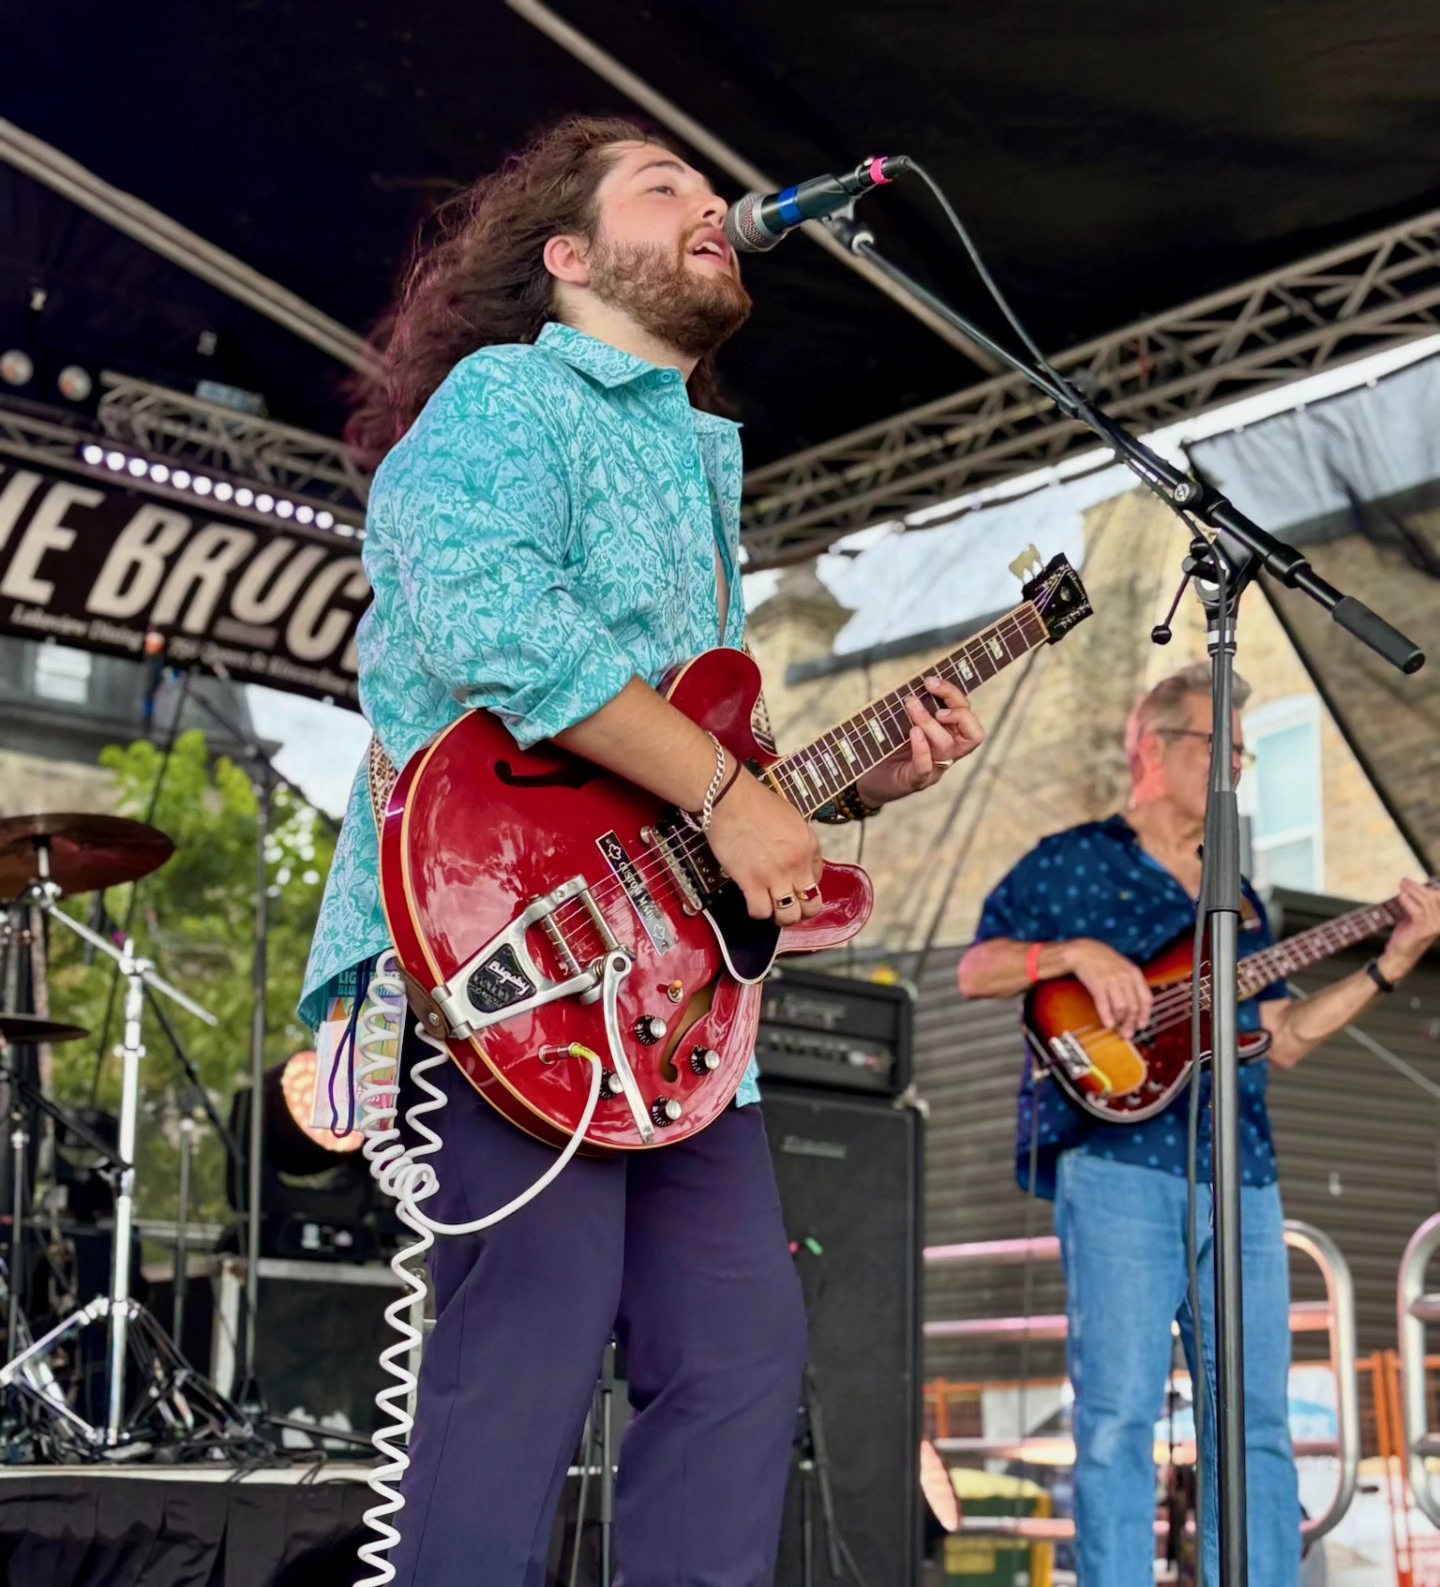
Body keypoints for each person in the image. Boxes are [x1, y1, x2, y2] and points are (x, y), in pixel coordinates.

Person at [299, 116, 987, 1587]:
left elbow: (681, 767)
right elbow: (492, 615)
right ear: (569, 255)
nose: (708, 204)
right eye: (661, 185)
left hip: (667, 1009)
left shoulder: (692, 462)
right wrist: (727, 795)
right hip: (503, 957)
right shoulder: (509, 397)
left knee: (741, 1355)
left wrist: (834, 792)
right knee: (524, 1358)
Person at [957, 661, 1440, 1587]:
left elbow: (1285, 1035)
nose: (1239, 767)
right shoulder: (1071, 859)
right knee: (1115, 1418)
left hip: (1242, 1177)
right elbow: (977, 969)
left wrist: (1392, 960)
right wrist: (1074, 952)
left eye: (1244, 753)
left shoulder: (1241, 898)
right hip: (1115, 1167)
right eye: (1225, 746)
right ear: (1154, 746)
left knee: (1256, 1422)